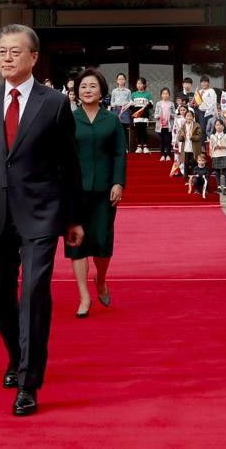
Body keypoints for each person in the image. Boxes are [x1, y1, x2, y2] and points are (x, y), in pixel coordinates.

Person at [0, 24, 83, 417]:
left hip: (40, 212)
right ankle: (17, 353)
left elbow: (69, 165)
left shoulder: (54, 102)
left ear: (34, 58)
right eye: (1, 52)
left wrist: (73, 217)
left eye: (15, 52)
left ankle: (28, 383)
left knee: (35, 292)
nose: (6, 58)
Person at [68, 69, 126, 318]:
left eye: (92, 86)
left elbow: (119, 154)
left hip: (105, 190)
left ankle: (100, 279)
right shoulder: (69, 119)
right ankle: (83, 296)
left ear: (102, 91)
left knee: (102, 243)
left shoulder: (111, 120)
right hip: (75, 190)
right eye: (83, 86)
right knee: (76, 243)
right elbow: (63, 155)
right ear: (77, 92)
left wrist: (118, 183)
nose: (88, 90)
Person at [130, 77, 153, 153]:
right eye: (138, 83)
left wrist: (148, 104)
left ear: (144, 85)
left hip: (145, 116)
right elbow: (130, 107)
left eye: (140, 83)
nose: (139, 85)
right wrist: (132, 105)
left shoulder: (147, 94)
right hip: (137, 116)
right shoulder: (133, 94)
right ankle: (139, 146)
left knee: (144, 131)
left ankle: (145, 147)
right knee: (138, 131)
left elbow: (151, 105)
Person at [209, 119, 226, 194]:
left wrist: (223, 146)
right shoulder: (212, 136)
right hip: (216, 155)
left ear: (223, 126)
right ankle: (219, 186)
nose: (219, 126)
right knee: (217, 172)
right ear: (215, 126)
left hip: (224, 154)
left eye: (220, 125)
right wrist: (213, 149)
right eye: (217, 125)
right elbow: (210, 147)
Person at [155, 88, 174, 162]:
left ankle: (168, 155)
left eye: (167, 93)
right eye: (163, 93)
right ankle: (162, 155)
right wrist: (157, 116)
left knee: (168, 141)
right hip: (160, 126)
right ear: (161, 95)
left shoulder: (171, 104)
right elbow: (155, 114)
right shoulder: (158, 103)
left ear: (169, 95)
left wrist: (171, 115)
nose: (165, 95)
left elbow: (174, 114)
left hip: (169, 126)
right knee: (161, 141)